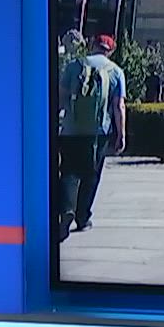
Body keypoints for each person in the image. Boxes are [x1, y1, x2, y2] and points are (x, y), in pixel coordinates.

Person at [59, 33, 127, 233]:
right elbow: (119, 106)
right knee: (91, 175)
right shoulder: (116, 72)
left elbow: (60, 97)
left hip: (71, 130)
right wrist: (121, 134)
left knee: (69, 171)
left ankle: (66, 209)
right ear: (110, 51)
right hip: (98, 133)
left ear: (92, 45)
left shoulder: (74, 66)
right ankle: (83, 217)